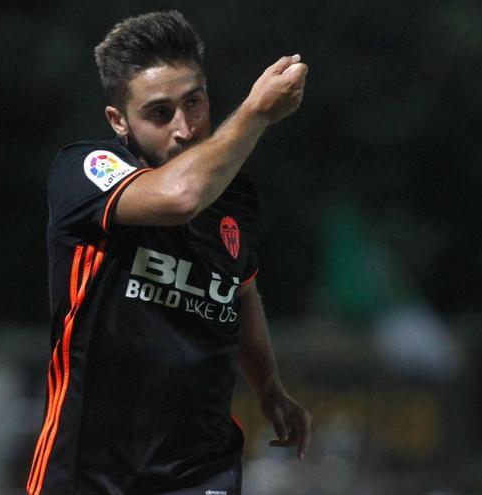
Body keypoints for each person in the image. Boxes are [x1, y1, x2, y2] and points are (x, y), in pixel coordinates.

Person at [28, 11, 311, 495]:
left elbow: (239, 296)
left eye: (195, 103)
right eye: (160, 113)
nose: (185, 127)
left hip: (200, 467)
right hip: (91, 472)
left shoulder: (234, 197)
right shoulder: (85, 170)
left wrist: (269, 389)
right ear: (119, 121)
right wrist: (255, 113)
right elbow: (180, 198)